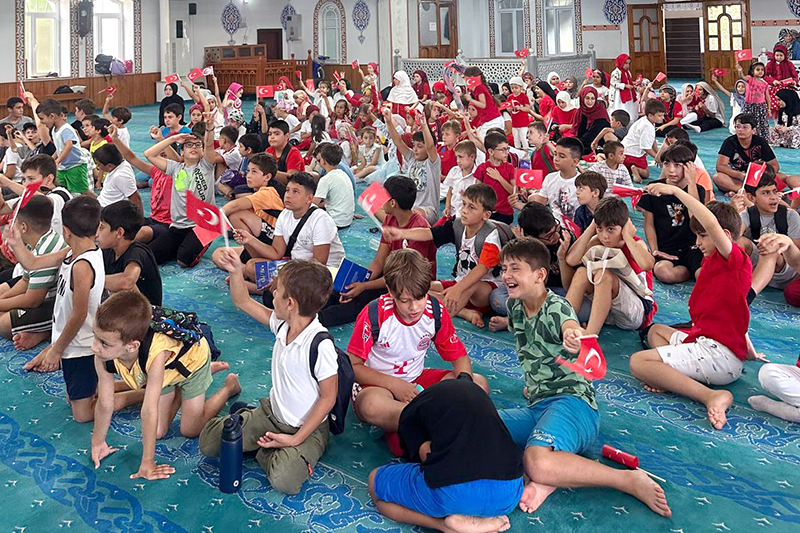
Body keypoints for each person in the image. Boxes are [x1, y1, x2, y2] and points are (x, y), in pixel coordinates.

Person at [496, 238, 670, 516]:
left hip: (575, 404)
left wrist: (574, 335)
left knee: (536, 461)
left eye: (515, 269)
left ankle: (626, 480)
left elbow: (570, 324)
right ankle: (549, 479)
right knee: (483, 426)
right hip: (539, 406)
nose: (506, 276)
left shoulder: (557, 307)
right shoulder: (514, 307)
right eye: (504, 269)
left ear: (540, 275)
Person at [201, 252, 338, 495]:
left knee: (284, 480)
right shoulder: (283, 323)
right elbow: (242, 301)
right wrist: (235, 271)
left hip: (307, 429)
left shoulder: (320, 344)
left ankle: (267, 449)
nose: (272, 293)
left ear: (290, 303)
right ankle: (262, 437)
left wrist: (295, 440)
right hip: (272, 414)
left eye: (278, 290)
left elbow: (328, 398)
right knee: (209, 443)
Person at [346, 248, 488, 456]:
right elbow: (353, 366)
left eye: (420, 297)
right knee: (370, 406)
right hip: (378, 384)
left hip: (416, 380)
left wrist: (464, 385)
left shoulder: (435, 310)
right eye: (405, 300)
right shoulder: (374, 314)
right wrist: (395, 385)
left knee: (478, 384)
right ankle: (436, 423)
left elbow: (459, 357)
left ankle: (407, 425)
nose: (414, 307)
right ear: (390, 290)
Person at [631, 191, 751, 430]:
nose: (697, 243)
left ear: (722, 236)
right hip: (707, 340)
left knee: (638, 363)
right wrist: (750, 350)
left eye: (702, 236)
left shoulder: (733, 260)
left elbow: (709, 220)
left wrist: (676, 192)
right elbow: (736, 312)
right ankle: (670, 375)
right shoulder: (714, 261)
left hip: (720, 355)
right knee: (655, 332)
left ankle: (710, 396)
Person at [90, 290, 240, 481]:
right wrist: (98, 442)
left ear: (132, 346)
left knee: (190, 429)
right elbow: (105, 402)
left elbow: (148, 409)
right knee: (158, 431)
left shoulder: (156, 353)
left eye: (103, 343)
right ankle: (182, 389)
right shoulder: (103, 353)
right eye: (95, 336)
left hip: (192, 363)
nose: (94, 347)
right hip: (165, 374)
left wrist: (148, 462)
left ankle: (228, 387)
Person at [368, 374, 523, 533]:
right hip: (509, 494)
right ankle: (481, 518)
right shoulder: (477, 393)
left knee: (375, 481)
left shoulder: (412, 412)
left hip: (453, 493)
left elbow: (424, 454)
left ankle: (444, 525)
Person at [10, 197, 105, 423]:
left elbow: (79, 314)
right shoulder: (71, 251)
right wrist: (16, 243)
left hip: (82, 347)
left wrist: (56, 350)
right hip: (71, 342)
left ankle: (137, 393)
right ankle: (105, 385)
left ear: (66, 231)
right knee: (73, 398)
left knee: (82, 415)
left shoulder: (82, 266)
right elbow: (33, 263)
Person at [318, 176, 437, 327]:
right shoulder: (390, 220)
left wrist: (365, 286)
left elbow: (404, 277)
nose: (380, 201)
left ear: (393, 203)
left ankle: (317, 320)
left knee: (364, 302)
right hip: (391, 273)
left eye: (384, 197)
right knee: (344, 290)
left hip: (411, 282)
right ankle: (309, 309)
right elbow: (379, 261)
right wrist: (359, 282)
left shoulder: (419, 229)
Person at [383, 184, 505, 328]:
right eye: (464, 204)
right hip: (460, 281)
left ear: (486, 215)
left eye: (471, 207)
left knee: (471, 286)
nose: (464, 210)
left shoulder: (490, 236)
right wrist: (401, 233)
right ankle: (464, 312)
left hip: (485, 289)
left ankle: (438, 322)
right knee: (419, 288)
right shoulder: (457, 225)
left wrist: (457, 289)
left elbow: (482, 269)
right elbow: (430, 233)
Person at [235, 172, 345, 300]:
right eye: (287, 190)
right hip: (296, 265)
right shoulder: (285, 215)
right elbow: (276, 252)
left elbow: (318, 264)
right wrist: (250, 239)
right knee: (252, 266)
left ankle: (260, 289)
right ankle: (277, 290)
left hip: (322, 273)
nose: (288, 195)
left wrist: (285, 278)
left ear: (309, 198)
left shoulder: (320, 219)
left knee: (282, 290)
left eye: (295, 192)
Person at [566, 197, 655, 336]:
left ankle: (589, 336)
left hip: (636, 311)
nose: (605, 236)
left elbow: (648, 264)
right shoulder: (597, 241)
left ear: (624, 226)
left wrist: (627, 236)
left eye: (611, 229)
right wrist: (591, 228)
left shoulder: (635, 244)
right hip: (608, 310)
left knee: (603, 275)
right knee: (582, 271)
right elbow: (572, 260)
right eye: (600, 229)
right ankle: (564, 324)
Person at [142, 111, 217, 267]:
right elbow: (149, 154)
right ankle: (182, 244)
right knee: (150, 256)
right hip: (178, 226)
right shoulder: (176, 168)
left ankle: (204, 238)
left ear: (203, 152)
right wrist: (173, 138)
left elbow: (209, 145)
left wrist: (209, 126)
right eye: (189, 145)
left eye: (198, 145)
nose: (193, 147)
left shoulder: (206, 166)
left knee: (184, 260)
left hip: (202, 225)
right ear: (182, 152)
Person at [0, 196, 67, 349]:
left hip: (53, 303)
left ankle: (44, 331)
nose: (10, 224)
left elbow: (32, 300)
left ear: (23, 227)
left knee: (3, 325)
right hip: (39, 295)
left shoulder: (45, 250)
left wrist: (2, 304)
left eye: (14, 220)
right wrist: (2, 301)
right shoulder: (36, 241)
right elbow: (25, 281)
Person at [639, 144, 705, 284]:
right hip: (666, 248)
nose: (671, 170)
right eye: (666, 164)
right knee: (663, 272)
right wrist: (655, 250)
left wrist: (691, 182)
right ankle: (688, 271)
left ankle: (691, 269)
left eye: (677, 165)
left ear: (689, 167)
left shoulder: (697, 190)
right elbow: (649, 224)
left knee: (704, 275)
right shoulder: (654, 188)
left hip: (692, 247)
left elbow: (696, 222)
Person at [212, 152, 284, 271]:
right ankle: (246, 269)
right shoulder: (258, 192)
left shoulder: (268, 192)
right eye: (248, 171)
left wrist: (216, 217)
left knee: (236, 215)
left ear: (267, 177)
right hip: (259, 241)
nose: (248, 175)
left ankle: (251, 263)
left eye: (254, 172)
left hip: (273, 245)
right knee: (218, 254)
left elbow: (235, 206)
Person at [737, 169, 800, 301]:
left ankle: (748, 295)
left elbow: (796, 251)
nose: (773, 197)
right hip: (759, 263)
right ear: (751, 198)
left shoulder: (790, 215)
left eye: (774, 191)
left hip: (785, 269)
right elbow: (733, 237)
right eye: (766, 193)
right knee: (739, 242)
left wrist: (777, 243)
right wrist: (735, 212)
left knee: (773, 247)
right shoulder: (747, 214)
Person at [97, 200, 162, 306]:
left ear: (119, 232)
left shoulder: (138, 252)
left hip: (147, 314)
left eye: (101, 228)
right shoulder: (108, 250)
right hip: (127, 308)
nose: (97, 233)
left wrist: (92, 279)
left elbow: (127, 281)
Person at [382, 107, 440, 225]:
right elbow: (398, 141)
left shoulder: (433, 163)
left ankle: (400, 224)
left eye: (419, 146)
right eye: (414, 146)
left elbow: (430, 146)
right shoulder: (412, 159)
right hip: (408, 209)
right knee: (377, 204)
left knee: (412, 214)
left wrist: (424, 126)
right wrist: (388, 121)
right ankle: (398, 223)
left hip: (427, 211)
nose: (415, 149)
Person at [35, 99, 92, 196]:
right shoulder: (54, 130)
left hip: (75, 166)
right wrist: (50, 160)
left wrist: (57, 161)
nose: (42, 122)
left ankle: (100, 204)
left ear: (52, 116)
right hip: (64, 167)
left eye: (42, 118)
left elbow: (68, 145)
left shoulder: (66, 129)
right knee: (60, 187)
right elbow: (59, 148)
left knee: (83, 191)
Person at [713, 113, 780, 193]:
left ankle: (744, 191)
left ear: (753, 130)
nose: (740, 130)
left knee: (783, 177)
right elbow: (720, 166)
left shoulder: (760, 142)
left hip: (757, 178)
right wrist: (740, 175)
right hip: (737, 178)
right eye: (738, 127)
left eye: (745, 127)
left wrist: (762, 175)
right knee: (718, 177)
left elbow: (775, 165)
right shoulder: (729, 142)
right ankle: (752, 191)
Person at [531, 137, 583, 220]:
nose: (556, 159)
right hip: (554, 226)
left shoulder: (583, 183)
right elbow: (540, 203)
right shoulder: (550, 178)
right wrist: (518, 204)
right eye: (555, 154)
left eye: (562, 156)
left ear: (575, 162)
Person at [474, 132, 515, 224]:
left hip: (505, 213)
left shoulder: (510, 168)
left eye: (507, 149)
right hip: (486, 212)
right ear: (491, 152)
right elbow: (477, 192)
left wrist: (499, 178)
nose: (506, 152)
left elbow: (513, 191)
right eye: (503, 150)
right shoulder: (482, 168)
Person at [622, 99, 666, 183]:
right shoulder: (647, 127)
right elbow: (646, 147)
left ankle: (627, 168)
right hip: (633, 155)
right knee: (646, 173)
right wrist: (658, 158)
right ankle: (635, 169)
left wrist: (658, 154)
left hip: (624, 153)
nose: (663, 118)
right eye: (660, 116)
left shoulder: (645, 120)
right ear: (650, 116)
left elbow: (653, 141)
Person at [313, 143, 354, 230]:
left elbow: (313, 204)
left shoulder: (326, 179)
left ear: (323, 161)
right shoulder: (343, 174)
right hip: (347, 220)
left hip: (335, 222)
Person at [93, 144, 142, 211]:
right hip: (103, 202)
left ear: (109, 166)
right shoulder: (122, 163)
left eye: (99, 165)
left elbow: (136, 198)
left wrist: (140, 219)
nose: (98, 167)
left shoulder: (120, 176)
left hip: (108, 210)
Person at [464, 66, 504, 139]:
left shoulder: (479, 88)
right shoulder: (479, 87)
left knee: (482, 145)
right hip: (490, 120)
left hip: (492, 121)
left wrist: (471, 100)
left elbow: (483, 105)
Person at [443, 140, 478, 219]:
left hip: (468, 215)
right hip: (452, 212)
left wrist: (467, 196)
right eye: (457, 157)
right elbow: (450, 192)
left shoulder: (477, 175)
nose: (458, 160)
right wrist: (447, 207)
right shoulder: (454, 171)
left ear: (472, 157)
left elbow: (478, 200)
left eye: (461, 157)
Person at [735, 61, 771, 139]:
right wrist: (740, 71)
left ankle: (763, 140)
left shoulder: (765, 84)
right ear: (752, 71)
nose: (760, 71)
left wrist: (769, 109)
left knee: (761, 124)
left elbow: (767, 97)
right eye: (758, 69)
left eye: (762, 70)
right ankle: (748, 138)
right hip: (749, 106)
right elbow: (742, 77)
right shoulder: (750, 79)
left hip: (760, 107)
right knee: (748, 122)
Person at [573, 87, 611, 155]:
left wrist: (575, 145)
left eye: (592, 98)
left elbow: (592, 135)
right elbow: (577, 131)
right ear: (582, 98)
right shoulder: (580, 111)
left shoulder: (600, 112)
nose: (590, 101)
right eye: (587, 98)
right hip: (582, 144)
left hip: (595, 147)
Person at [266, 120, 305, 185]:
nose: (272, 137)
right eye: (270, 134)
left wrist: (268, 172)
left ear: (287, 136)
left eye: (277, 134)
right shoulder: (268, 151)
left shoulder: (293, 153)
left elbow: (292, 179)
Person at [609, 54, 639, 121]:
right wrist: (625, 85)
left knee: (629, 106)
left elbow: (628, 80)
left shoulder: (627, 72)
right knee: (621, 106)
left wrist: (634, 83)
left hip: (628, 92)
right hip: (619, 94)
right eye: (625, 63)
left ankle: (629, 118)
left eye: (629, 63)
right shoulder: (616, 72)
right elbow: (614, 83)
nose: (627, 65)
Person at [508, 76, 533, 149]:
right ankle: (517, 151)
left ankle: (526, 151)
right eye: (512, 88)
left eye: (516, 88)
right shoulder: (510, 97)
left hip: (523, 122)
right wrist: (510, 108)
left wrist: (520, 108)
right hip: (514, 122)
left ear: (521, 87)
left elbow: (528, 109)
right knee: (516, 138)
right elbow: (508, 109)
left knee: (523, 138)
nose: (514, 90)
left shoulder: (523, 96)